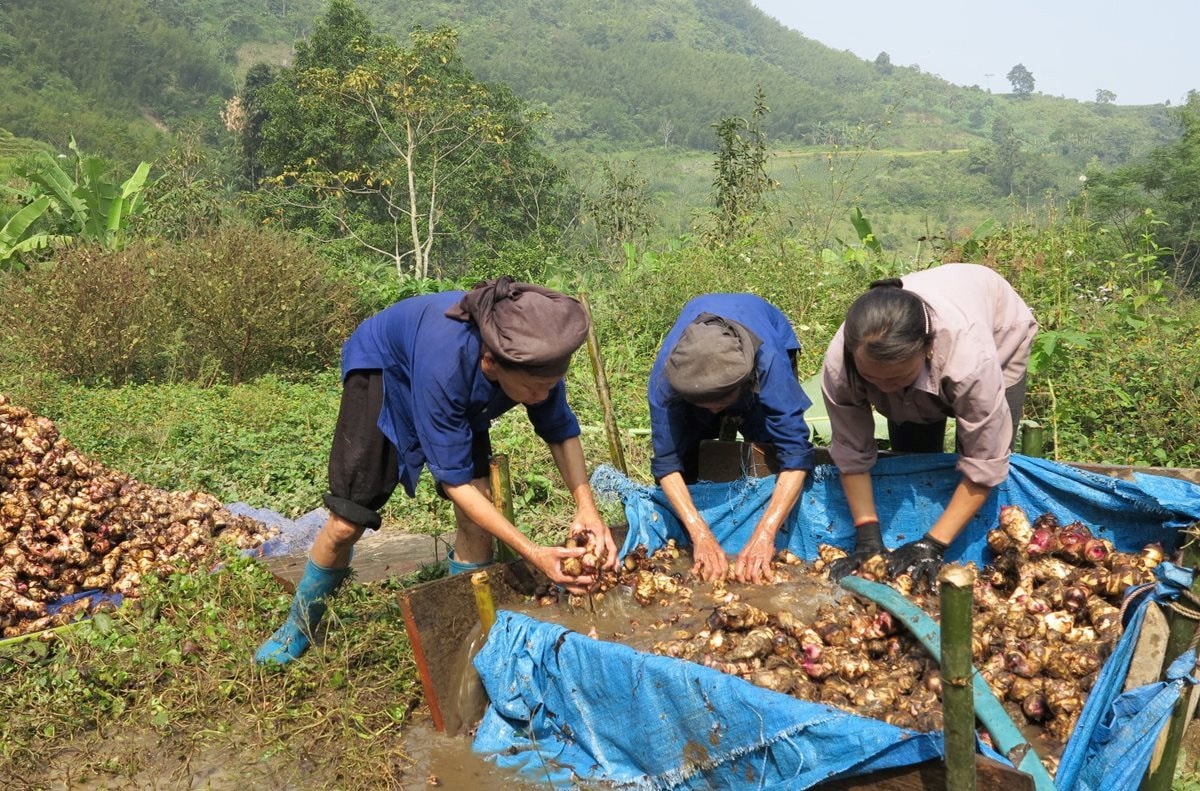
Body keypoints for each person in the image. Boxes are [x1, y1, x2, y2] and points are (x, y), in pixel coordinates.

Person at [256, 277, 618, 665]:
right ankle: (299, 624)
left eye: (551, 386)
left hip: (454, 381)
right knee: (347, 523)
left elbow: (561, 432)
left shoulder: (533, 359)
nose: (542, 397)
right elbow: (455, 480)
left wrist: (588, 510)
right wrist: (531, 552)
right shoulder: (448, 366)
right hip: (385, 368)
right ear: (490, 362)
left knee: (478, 519)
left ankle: (467, 633)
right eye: (534, 389)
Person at [821, 263, 1038, 584]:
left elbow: (986, 462)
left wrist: (932, 544)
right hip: (930, 342)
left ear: (927, 350)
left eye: (897, 378)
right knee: (914, 456)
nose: (885, 390)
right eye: (872, 379)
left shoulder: (970, 360)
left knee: (981, 461)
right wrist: (867, 537)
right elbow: (852, 452)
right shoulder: (842, 366)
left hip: (998, 329)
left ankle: (949, 542)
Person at [648, 294, 815, 584]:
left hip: (763, 341)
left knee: (769, 450)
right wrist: (699, 533)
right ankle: (702, 529)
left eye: (722, 403)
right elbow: (666, 465)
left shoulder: (768, 364)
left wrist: (765, 534)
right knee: (689, 459)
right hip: (695, 377)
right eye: (708, 406)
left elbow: (796, 456)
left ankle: (764, 524)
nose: (717, 411)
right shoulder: (666, 381)